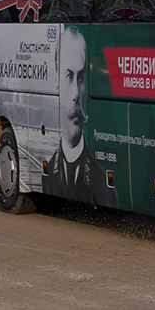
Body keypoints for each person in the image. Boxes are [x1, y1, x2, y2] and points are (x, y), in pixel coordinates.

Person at [42, 26, 113, 206]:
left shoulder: (102, 181)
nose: (75, 93)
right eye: (69, 76)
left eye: (81, 77)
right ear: (56, 82)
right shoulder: (47, 173)